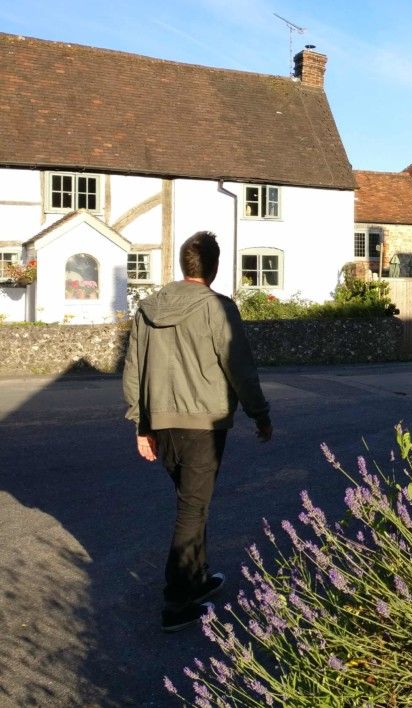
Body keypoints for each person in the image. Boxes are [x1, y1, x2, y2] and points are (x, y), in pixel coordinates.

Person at [123, 231, 273, 632]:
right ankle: (177, 602)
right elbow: (239, 365)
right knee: (192, 508)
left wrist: (141, 424)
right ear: (215, 266)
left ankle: (197, 578)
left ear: (182, 263)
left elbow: (134, 367)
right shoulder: (217, 308)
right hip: (203, 424)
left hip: (163, 422)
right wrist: (260, 413)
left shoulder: (148, 308)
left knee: (192, 501)